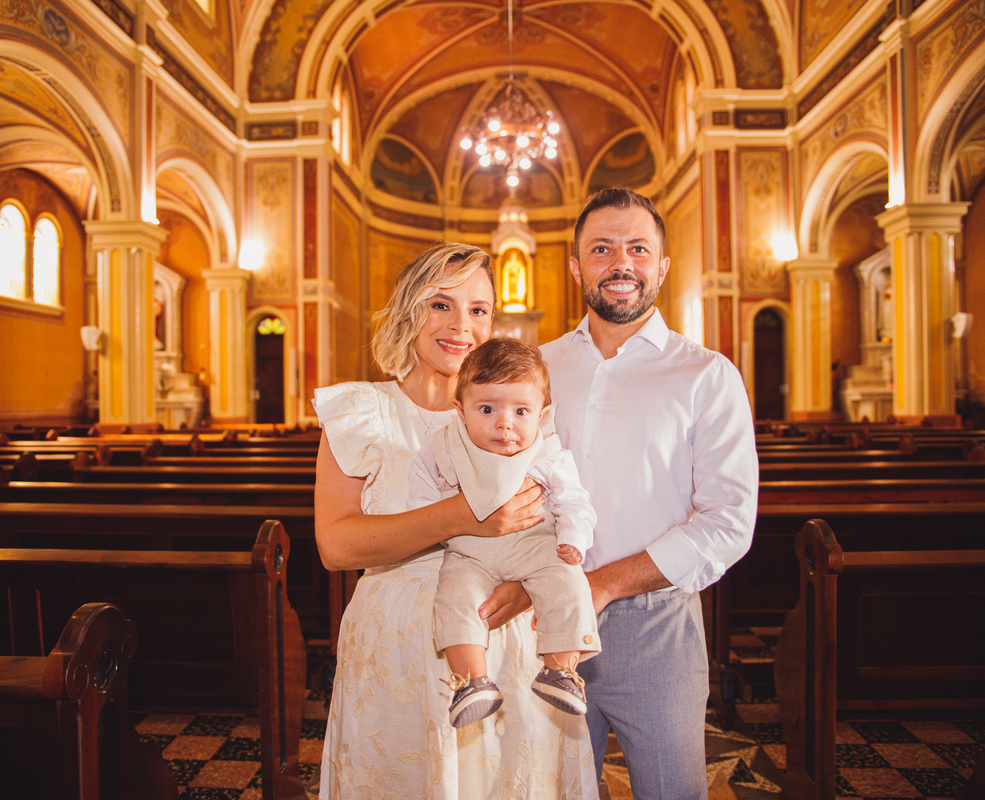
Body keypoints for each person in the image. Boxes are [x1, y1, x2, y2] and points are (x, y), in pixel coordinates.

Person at [313, 242, 599, 800]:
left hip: (505, 645)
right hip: (397, 651)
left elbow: (552, 521)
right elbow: (336, 546)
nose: (460, 325)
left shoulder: (519, 415)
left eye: (478, 309)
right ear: (408, 310)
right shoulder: (363, 411)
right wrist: (464, 517)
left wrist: (528, 583)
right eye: (440, 304)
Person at [539, 188, 758, 799]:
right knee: (552, 790)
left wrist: (607, 582)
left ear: (662, 265)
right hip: (544, 620)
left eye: (638, 248)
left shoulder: (706, 374)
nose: (621, 263)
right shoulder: (537, 367)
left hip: (656, 624)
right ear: (576, 266)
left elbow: (728, 521)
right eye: (602, 249)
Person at [409, 337, 600, 728]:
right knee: (456, 598)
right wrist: (431, 524)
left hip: (535, 546)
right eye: (487, 408)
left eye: (520, 410)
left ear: (542, 414)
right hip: (469, 552)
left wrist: (573, 539)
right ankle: (471, 681)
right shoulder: (444, 447)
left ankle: (560, 669)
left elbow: (574, 502)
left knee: (568, 582)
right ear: (460, 411)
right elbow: (422, 503)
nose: (504, 423)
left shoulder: (548, 453)